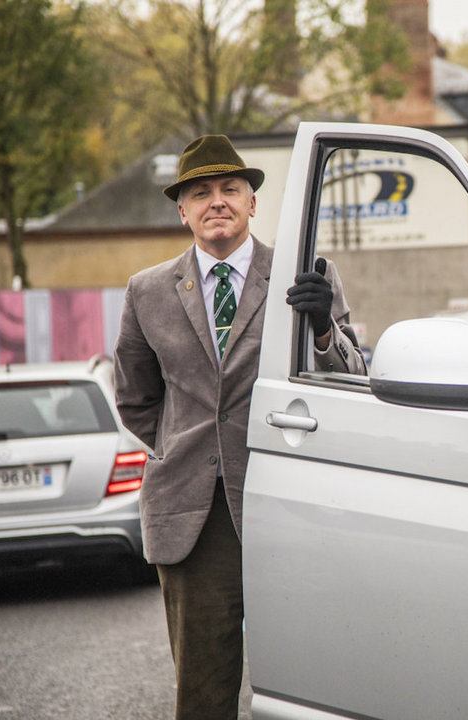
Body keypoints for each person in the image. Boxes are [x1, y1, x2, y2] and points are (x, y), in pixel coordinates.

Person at [113, 134, 364, 719]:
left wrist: (323, 329)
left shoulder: (308, 277)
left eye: (230, 188)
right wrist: (186, 447)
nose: (216, 201)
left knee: (315, 683)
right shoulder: (146, 292)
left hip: (291, 500)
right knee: (203, 692)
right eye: (200, 192)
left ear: (253, 203)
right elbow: (135, 400)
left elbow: (351, 377)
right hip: (193, 518)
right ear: (183, 211)